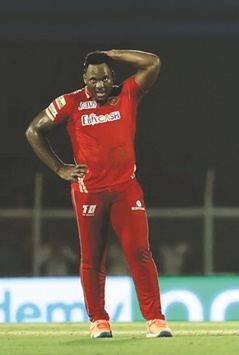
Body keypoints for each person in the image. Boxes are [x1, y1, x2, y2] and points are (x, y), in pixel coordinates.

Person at [25, 49, 172, 338]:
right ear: (85, 79)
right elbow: (33, 131)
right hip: (88, 192)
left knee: (139, 252)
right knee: (92, 259)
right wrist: (59, 168)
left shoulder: (128, 94)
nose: (100, 84)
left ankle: (155, 320)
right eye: (94, 79)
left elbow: (153, 62)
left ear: (112, 75)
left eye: (105, 77)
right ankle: (99, 321)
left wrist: (113, 53)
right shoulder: (71, 102)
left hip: (125, 189)